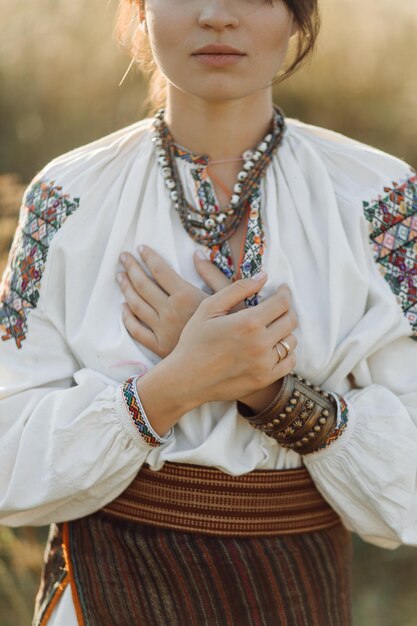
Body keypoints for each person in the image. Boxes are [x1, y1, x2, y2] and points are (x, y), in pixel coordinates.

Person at [0, 0, 416, 624]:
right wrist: (176, 383)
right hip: (102, 590)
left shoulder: (381, 201)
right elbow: (10, 462)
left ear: (299, 16)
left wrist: (270, 389)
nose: (218, 15)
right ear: (139, 11)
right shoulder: (67, 196)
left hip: (295, 594)